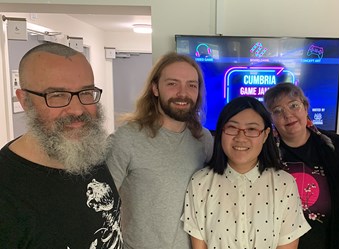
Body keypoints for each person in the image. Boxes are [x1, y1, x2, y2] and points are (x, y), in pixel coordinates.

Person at [0, 43, 123, 248]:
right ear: (24, 100)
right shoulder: (6, 194)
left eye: (85, 92)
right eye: (57, 95)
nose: (77, 109)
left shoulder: (88, 152)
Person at [106, 52, 214, 249]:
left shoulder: (204, 140)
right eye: (172, 83)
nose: (183, 93)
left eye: (192, 85)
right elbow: (100, 203)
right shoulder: (126, 139)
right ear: (155, 88)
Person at [182, 96, 311, 249]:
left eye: (252, 129)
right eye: (232, 128)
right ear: (221, 132)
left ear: (265, 135)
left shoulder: (284, 184)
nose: (241, 137)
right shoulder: (200, 183)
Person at [263, 83, 339, 249]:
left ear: (305, 107)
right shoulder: (264, 154)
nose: (287, 115)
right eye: (277, 110)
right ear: (271, 119)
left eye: (294, 105)